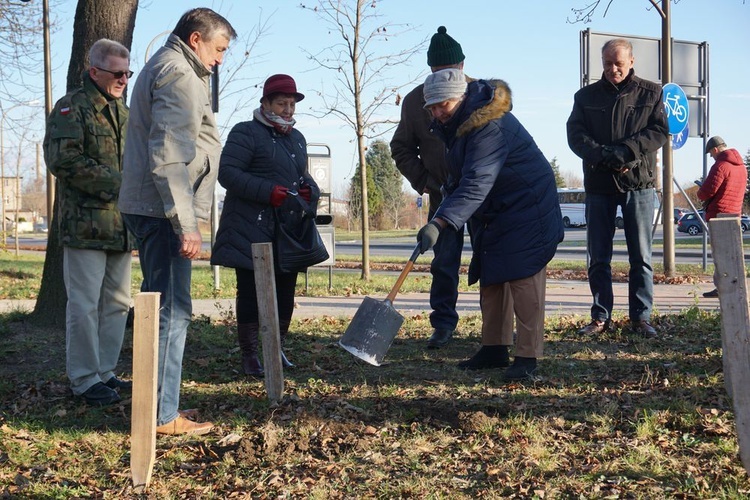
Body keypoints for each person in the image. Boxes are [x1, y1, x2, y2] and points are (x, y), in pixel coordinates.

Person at [118, 8, 236, 436]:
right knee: (172, 313)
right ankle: (161, 415)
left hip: (153, 206)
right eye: (218, 48)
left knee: (162, 309)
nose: (221, 59)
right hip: (162, 210)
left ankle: (156, 404)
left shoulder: (166, 67)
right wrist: (186, 223)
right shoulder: (180, 75)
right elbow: (168, 155)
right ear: (195, 39)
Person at [416, 68, 563, 380]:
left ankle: (528, 356)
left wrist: (442, 221)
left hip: (528, 206)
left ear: (462, 97)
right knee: (493, 276)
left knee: (524, 280)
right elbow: (458, 181)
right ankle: (494, 347)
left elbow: (477, 182)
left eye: (444, 104)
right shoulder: (456, 125)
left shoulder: (487, 125)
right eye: (432, 106)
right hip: (497, 209)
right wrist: (439, 217)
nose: (438, 111)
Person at [392, 26, 514, 350]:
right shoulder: (417, 100)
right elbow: (401, 148)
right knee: (444, 262)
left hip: (481, 194)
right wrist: (426, 183)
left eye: (451, 68)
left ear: (462, 65)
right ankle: (443, 323)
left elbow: (501, 143)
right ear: (430, 69)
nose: (445, 74)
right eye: (438, 70)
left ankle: (496, 329)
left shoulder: (482, 95)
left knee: (492, 257)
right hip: (442, 194)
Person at [44, 39, 134, 407]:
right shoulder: (71, 107)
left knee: (116, 303)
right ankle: (83, 379)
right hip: (84, 227)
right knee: (83, 305)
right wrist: (120, 184)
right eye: (116, 73)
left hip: (120, 226)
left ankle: (104, 372)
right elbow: (63, 160)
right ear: (94, 71)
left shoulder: (124, 113)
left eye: (127, 73)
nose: (123, 79)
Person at [211, 74, 320, 376]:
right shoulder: (246, 133)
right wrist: (267, 192)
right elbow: (228, 174)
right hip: (249, 227)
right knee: (250, 292)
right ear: (266, 103)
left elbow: (302, 177)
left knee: (286, 291)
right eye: (281, 103)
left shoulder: (296, 139)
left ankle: (276, 348)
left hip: (287, 230)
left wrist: (312, 191)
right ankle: (249, 355)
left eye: (291, 104)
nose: (288, 109)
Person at [566, 38, 668, 338]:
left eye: (619, 64)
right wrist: (603, 156)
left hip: (639, 184)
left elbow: (660, 130)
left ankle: (641, 317)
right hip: (599, 185)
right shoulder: (584, 97)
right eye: (608, 64)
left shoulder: (652, 92)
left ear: (632, 61)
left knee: (641, 257)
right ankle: (600, 317)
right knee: (599, 257)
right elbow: (575, 135)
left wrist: (626, 151)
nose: (613, 69)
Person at [697, 136, 748, 298]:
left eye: (711, 154)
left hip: (718, 215)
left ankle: (722, 288)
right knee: (732, 253)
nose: (712, 157)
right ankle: (734, 286)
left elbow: (706, 192)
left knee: (720, 254)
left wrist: (700, 189)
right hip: (735, 215)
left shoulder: (720, 166)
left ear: (715, 150)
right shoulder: (741, 167)